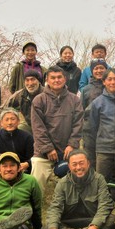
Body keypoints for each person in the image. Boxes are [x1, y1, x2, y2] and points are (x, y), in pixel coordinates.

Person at [43, 150, 115, 229]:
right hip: (70, 222)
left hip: (93, 219)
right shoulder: (62, 183)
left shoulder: (99, 179)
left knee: (114, 218)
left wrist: (95, 225)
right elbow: (55, 207)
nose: (78, 167)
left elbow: (104, 206)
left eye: (81, 163)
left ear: (88, 163)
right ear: (69, 166)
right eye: (74, 164)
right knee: (47, 227)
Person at [31, 65, 84, 194]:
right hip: (43, 152)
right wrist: (48, 148)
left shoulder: (75, 100)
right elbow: (38, 128)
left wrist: (72, 145)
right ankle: (34, 209)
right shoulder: (39, 100)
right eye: (53, 78)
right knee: (36, 180)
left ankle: (75, 208)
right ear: (47, 80)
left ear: (65, 79)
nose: (56, 80)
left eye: (59, 77)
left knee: (79, 179)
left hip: (68, 151)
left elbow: (78, 125)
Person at [0, 108, 34, 174]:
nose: (10, 123)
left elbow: (33, 155)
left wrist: (27, 163)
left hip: (23, 169)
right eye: (6, 120)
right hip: (3, 169)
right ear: (1, 123)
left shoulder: (27, 136)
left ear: (18, 121)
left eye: (13, 119)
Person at [1, 69, 44, 134]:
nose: (30, 83)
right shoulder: (20, 94)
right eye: (27, 80)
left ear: (38, 81)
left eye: (33, 79)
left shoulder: (47, 94)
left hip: (46, 125)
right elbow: (3, 109)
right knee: (17, 130)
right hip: (29, 124)